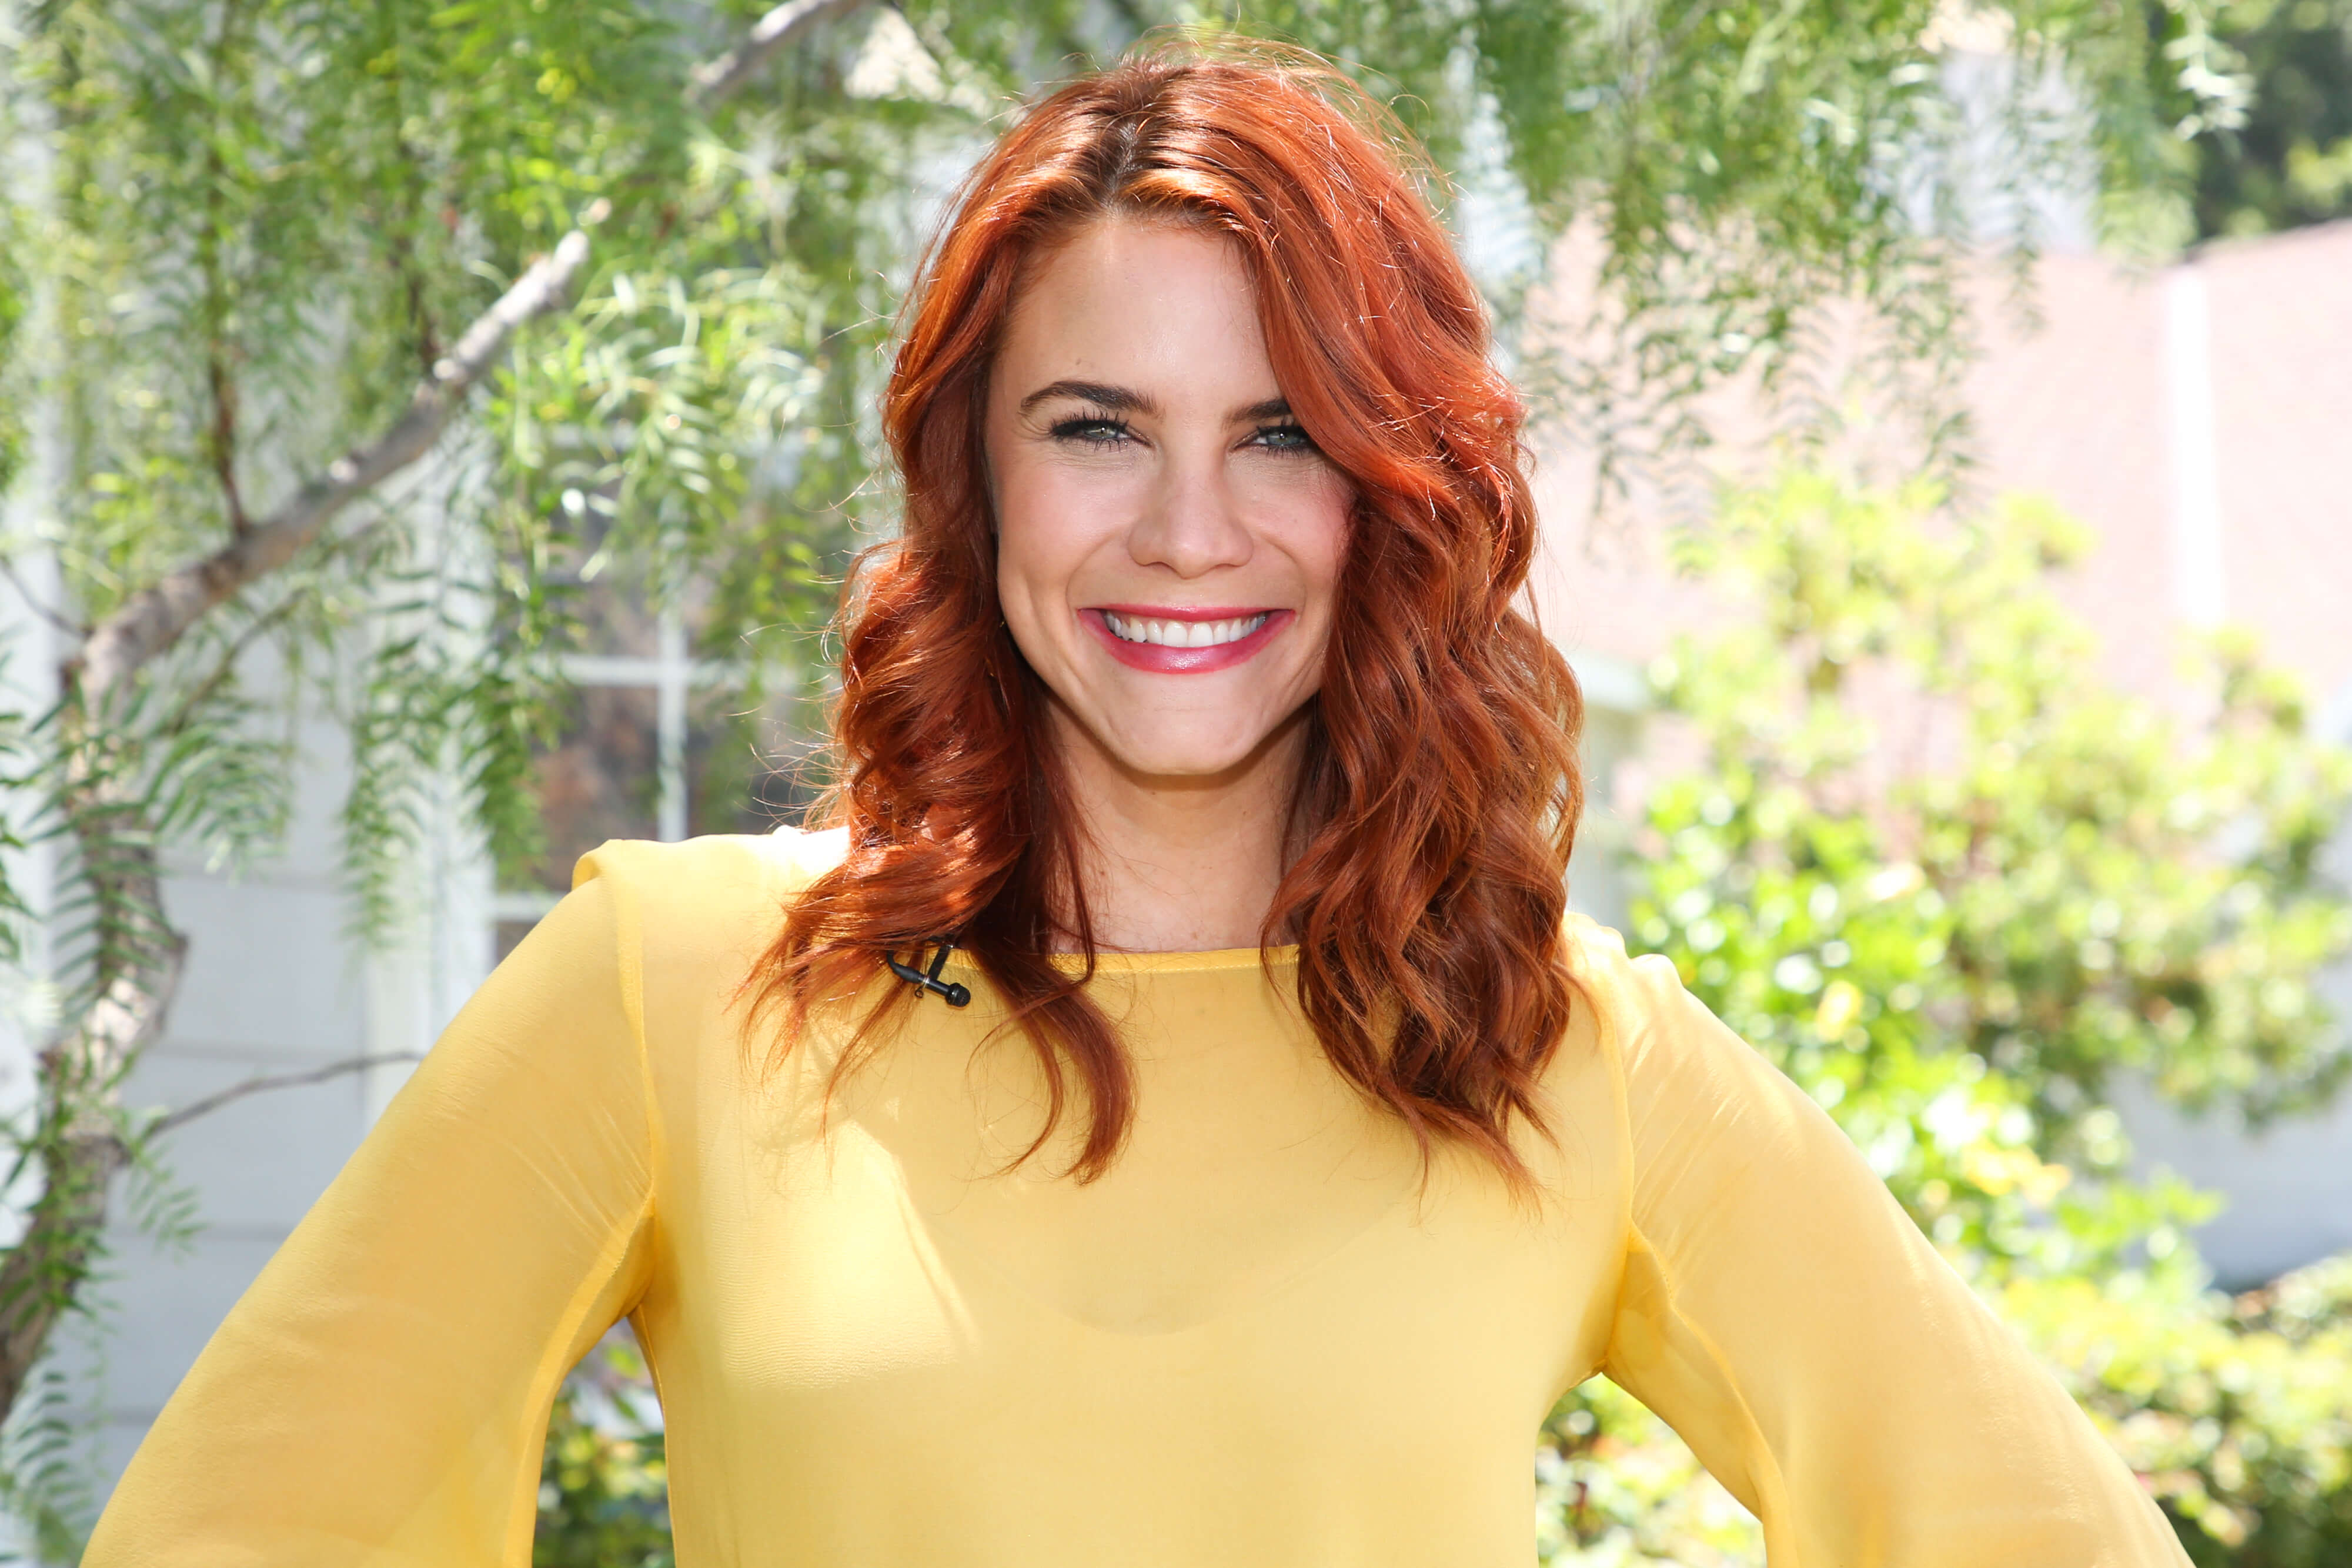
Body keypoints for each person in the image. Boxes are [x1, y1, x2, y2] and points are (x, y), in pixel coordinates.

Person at [89, 40, 2191, 1568]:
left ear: (1391, 495)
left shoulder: (1560, 1048)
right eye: (1098, 425)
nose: (1192, 530)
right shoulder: (679, 986)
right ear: (973, 475)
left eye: (1284, 432)